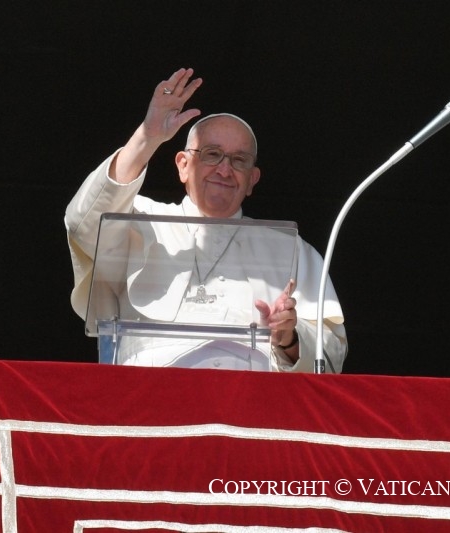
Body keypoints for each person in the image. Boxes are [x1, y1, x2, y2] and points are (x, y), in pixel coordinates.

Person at [65, 68, 346, 372]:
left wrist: (290, 338)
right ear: (183, 165)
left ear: (252, 180)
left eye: (239, 160)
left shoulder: (290, 249)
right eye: (212, 154)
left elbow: (329, 354)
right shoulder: (139, 222)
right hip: (150, 400)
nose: (225, 170)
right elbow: (83, 223)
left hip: (248, 406)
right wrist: (147, 138)